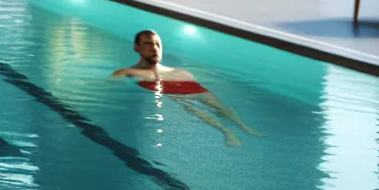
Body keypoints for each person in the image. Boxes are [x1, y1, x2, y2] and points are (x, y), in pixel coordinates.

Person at [110, 30, 264, 147]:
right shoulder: (127, 72)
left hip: (189, 86)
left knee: (221, 108)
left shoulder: (176, 71)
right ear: (136, 47)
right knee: (194, 109)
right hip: (173, 92)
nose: (154, 48)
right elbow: (112, 87)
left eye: (158, 44)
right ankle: (227, 131)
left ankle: (245, 127)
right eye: (148, 44)